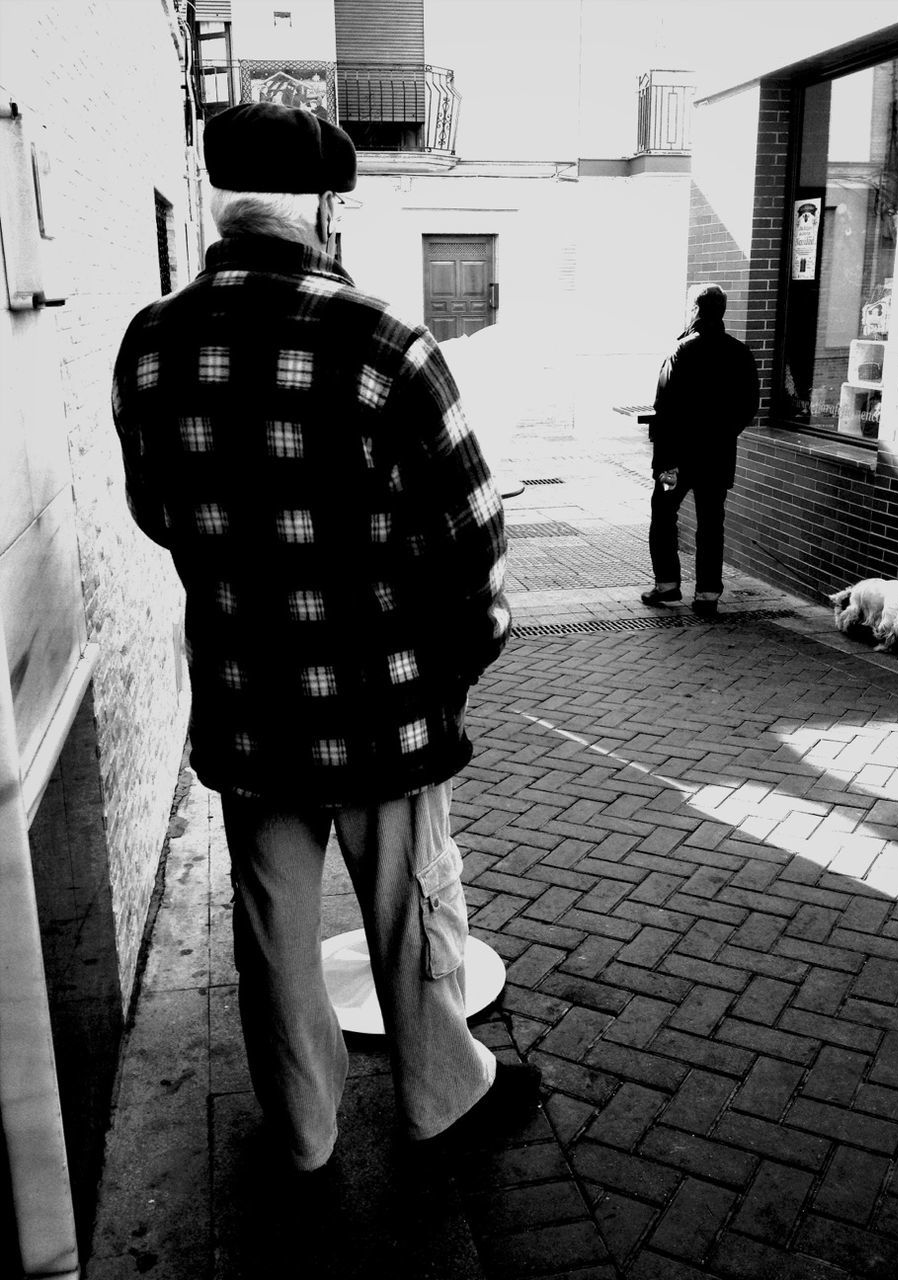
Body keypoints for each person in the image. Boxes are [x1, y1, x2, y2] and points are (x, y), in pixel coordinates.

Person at [111, 102, 540, 1178]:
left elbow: (155, 511)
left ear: (218, 201)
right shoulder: (382, 341)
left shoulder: (151, 343)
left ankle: (303, 1130)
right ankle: (445, 1097)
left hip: (249, 699)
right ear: (322, 209)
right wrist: (457, 663)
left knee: (271, 932)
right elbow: (475, 536)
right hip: (384, 700)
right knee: (409, 909)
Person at [642, 284, 759, 617]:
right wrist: (722, 433)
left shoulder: (680, 351)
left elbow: (663, 406)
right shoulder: (740, 352)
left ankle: (667, 585)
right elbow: (749, 405)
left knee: (663, 515)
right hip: (716, 459)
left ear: (695, 310)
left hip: (674, 462)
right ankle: (707, 594)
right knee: (711, 523)